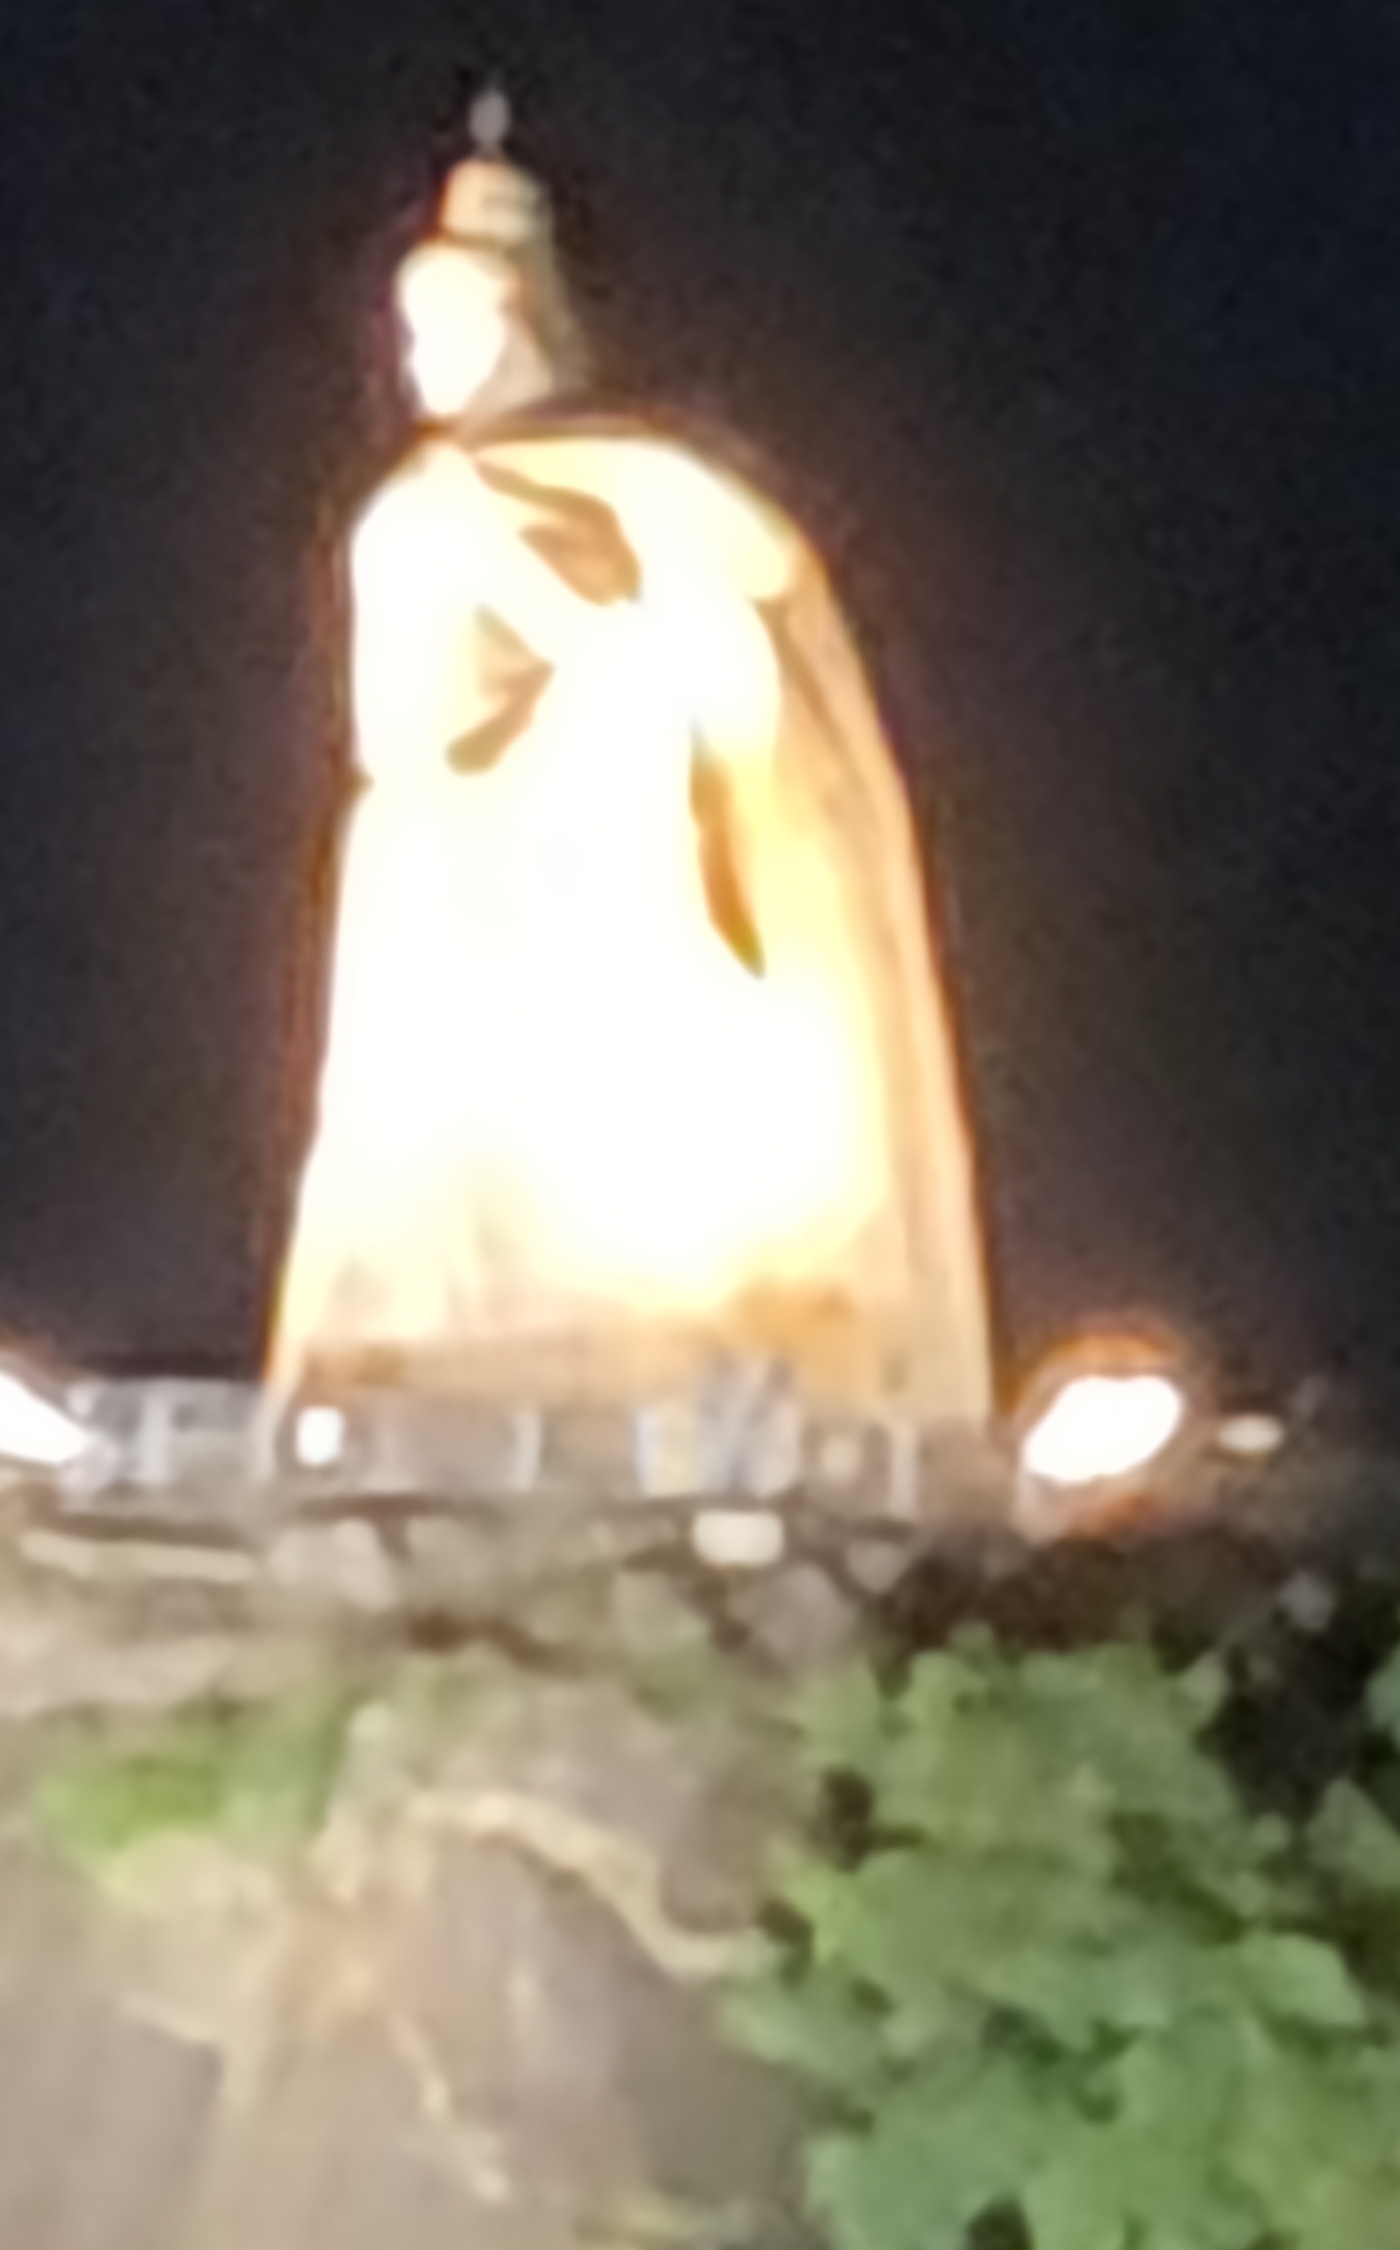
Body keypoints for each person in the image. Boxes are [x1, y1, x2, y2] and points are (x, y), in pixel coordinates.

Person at [270, 110, 995, 1427]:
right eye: (412, 337)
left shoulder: (657, 494)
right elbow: (397, 725)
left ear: (523, 321)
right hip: (451, 870)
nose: (427, 362)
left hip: (616, 861)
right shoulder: (413, 513)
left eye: (453, 328)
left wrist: (622, 680)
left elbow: (736, 665)